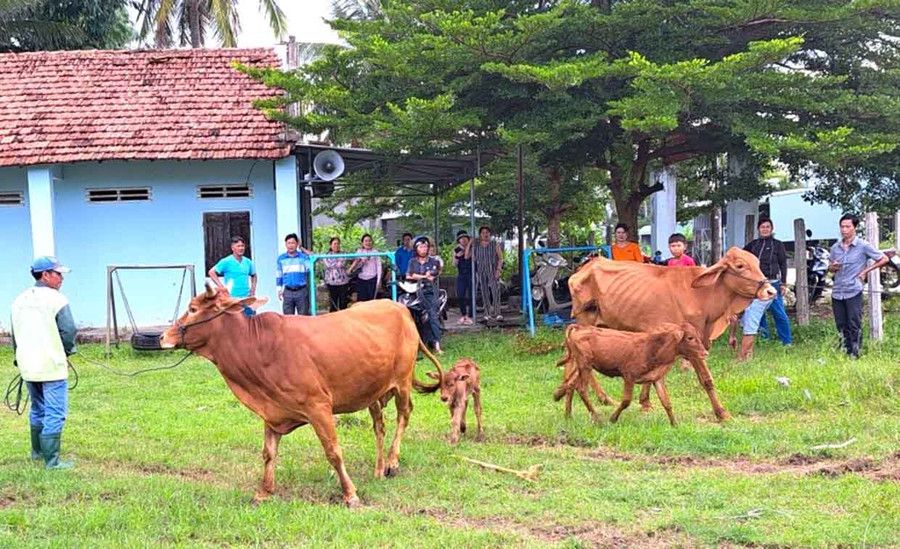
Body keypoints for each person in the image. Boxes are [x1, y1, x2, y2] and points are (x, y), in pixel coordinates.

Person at [10, 256, 77, 469]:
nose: (61, 278)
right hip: (51, 366)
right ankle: (52, 461)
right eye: (58, 274)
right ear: (45, 275)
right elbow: (68, 331)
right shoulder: (57, 300)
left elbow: (15, 335)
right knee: (55, 411)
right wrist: (67, 351)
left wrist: (19, 358)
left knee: (38, 408)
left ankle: (37, 452)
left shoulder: (18, 300)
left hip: (28, 365)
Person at [828, 214, 889, 358]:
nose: (844, 230)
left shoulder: (863, 245)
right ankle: (845, 350)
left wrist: (865, 271)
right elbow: (830, 269)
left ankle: (855, 353)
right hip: (837, 291)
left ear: (855, 228)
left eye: (848, 227)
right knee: (841, 324)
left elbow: (884, 258)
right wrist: (833, 267)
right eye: (842, 227)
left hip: (853, 290)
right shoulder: (835, 247)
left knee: (854, 323)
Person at [743, 218, 792, 352]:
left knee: (779, 314)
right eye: (762, 227)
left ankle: (787, 342)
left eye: (767, 227)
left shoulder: (778, 245)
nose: (765, 229)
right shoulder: (753, 245)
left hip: (773, 284)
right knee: (758, 313)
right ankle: (764, 339)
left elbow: (783, 264)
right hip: (757, 285)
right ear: (758, 229)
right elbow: (742, 257)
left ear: (771, 229)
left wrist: (783, 283)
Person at [407, 236, 443, 353]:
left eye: (425, 247)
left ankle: (437, 345)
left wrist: (421, 276)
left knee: (433, 316)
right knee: (413, 315)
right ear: (416, 249)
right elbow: (408, 275)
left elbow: (433, 276)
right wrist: (423, 276)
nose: (423, 249)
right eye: (421, 247)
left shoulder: (434, 261)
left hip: (429, 291)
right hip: (414, 291)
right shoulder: (412, 262)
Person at [466, 226, 503, 322]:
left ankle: (497, 312)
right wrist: (470, 243)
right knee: (484, 291)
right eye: (483, 233)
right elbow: (467, 256)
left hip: (492, 269)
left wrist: (498, 269)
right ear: (480, 235)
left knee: (495, 290)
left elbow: (500, 258)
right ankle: (487, 313)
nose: (485, 234)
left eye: (487, 232)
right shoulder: (476, 245)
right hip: (481, 270)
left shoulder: (494, 244)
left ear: (490, 234)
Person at [276, 233, 311, 315]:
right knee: (288, 319)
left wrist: (302, 248)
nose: (290, 245)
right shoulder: (281, 258)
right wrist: (279, 289)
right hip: (288, 292)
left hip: (301, 291)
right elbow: (279, 275)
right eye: (289, 243)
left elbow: (312, 263)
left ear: (297, 244)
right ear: (285, 244)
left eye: (293, 243)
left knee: (303, 318)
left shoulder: (303, 257)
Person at [349, 233, 382, 302]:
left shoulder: (375, 252)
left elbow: (379, 266)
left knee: (371, 300)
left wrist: (379, 280)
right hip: (361, 279)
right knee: (361, 300)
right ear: (362, 243)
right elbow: (355, 266)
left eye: (369, 241)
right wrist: (361, 262)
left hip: (372, 279)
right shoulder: (359, 252)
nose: (368, 243)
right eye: (366, 241)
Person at [323, 237, 350, 312]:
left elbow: (341, 264)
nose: (336, 245)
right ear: (330, 245)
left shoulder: (344, 254)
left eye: (338, 244)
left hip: (343, 282)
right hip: (331, 283)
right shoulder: (326, 255)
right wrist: (337, 263)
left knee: (343, 303)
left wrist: (334, 264)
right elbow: (328, 265)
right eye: (334, 244)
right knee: (333, 304)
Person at [453, 230, 474, 325]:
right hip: (461, 274)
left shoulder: (472, 248)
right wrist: (457, 257)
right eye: (461, 238)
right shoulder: (456, 249)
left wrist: (468, 246)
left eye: (465, 238)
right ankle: (463, 314)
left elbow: (468, 256)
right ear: (459, 240)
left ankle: (470, 316)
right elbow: (454, 264)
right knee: (460, 294)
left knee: (471, 295)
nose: (463, 240)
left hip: (471, 274)